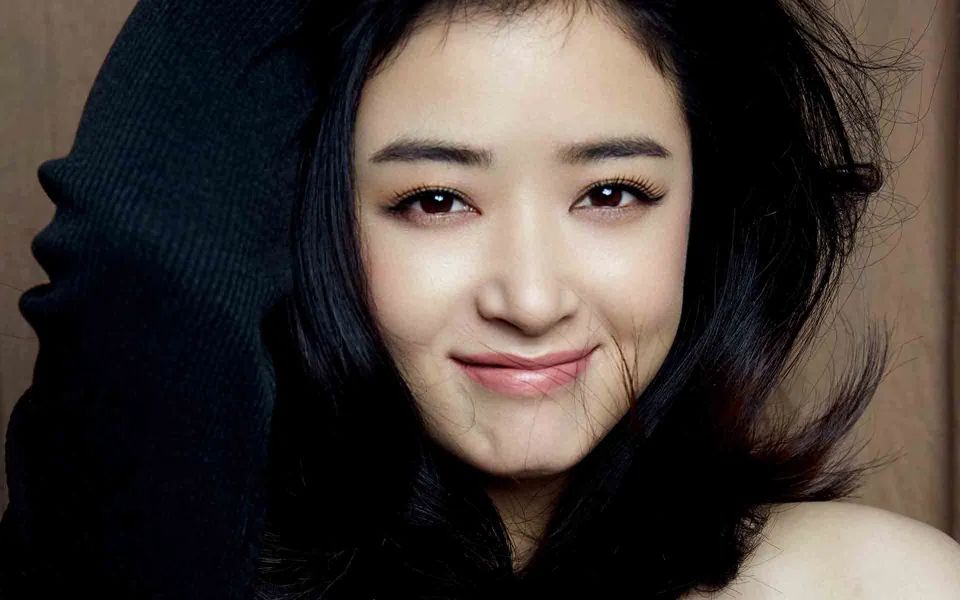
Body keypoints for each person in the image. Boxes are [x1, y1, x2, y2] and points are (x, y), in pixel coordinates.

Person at [2, 1, 959, 599]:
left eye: (611, 193)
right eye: (436, 201)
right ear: (314, 224)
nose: (531, 299)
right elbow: (138, 259)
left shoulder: (878, 584)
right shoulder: (181, 562)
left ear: (705, 216)